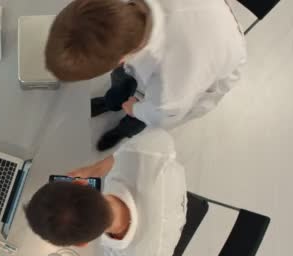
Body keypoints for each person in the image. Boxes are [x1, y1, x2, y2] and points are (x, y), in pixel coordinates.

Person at [45, 0, 246, 151]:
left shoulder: (173, 81)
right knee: (120, 83)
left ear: (122, 58)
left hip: (213, 54)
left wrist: (136, 109)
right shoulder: (122, 17)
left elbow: (162, 115)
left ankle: (121, 131)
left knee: (138, 118)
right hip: (198, 17)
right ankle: (111, 102)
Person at [24, 129, 187, 256]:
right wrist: (94, 169)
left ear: (83, 243)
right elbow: (160, 137)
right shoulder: (144, 152)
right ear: (81, 182)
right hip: (175, 196)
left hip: (169, 238)